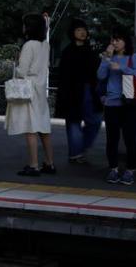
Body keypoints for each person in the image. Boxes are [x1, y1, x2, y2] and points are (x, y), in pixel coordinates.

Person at [6, 12, 55, 176]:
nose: (23, 27)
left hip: (29, 88)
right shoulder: (45, 45)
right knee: (43, 127)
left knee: (31, 127)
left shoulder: (29, 46)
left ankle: (33, 165)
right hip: (41, 89)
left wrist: (17, 62)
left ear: (29, 27)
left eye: (25, 24)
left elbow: (22, 71)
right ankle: (49, 162)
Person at [98, 26, 136, 185]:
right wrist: (107, 58)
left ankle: (130, 170)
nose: (114, 42)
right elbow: (100, 75)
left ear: (125, 41)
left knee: (129, 139)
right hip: (112, 104)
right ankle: (113, 169)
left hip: (130, 104)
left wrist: (122, 67)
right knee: (112, 139)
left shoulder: (134, 57)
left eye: (118, 39)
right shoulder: (108, 57)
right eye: (112, 39)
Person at [55, 18, 103, 163]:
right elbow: (63, 75)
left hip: (89, 90)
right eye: (78, 30)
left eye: (83, 30)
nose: (82, 32)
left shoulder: (91, 50)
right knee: (74, 121)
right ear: (72, 33)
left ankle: (79, 148)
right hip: (72, 92)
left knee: (95, 121)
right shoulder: (68, 52)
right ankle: (76, 154)